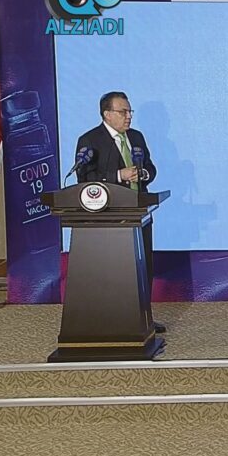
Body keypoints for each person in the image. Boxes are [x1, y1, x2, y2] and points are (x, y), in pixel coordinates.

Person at [75, 91, 165, 333]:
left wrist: (142, 173)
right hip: (110, 217)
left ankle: (144, 318)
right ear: (107, 114)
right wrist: (118, 175)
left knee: (143, 265)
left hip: (139, 212)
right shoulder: (90, 140)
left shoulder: (136, 137)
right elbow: (85, 178)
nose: (128, 116)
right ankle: (112, 319)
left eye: (129, 111)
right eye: (123, 111)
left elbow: (151, 168)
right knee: (115, 271)